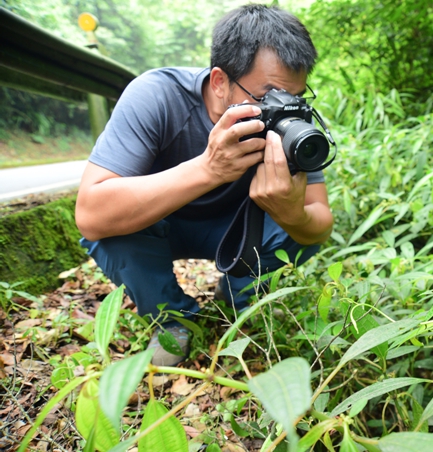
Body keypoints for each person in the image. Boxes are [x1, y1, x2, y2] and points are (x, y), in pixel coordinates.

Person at [75, 4, 333, 366]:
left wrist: (292, 214)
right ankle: (173, 320)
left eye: (294, 97)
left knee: (297, 231)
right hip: (159, 227)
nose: (282, 108)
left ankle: (238, 298)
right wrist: (209, 169)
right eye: (267, 96)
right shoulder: (157, 96)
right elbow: (90, 213)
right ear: (219, 81)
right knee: (109, 229)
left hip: (239, 230)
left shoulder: (292, 123)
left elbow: (321, 221)